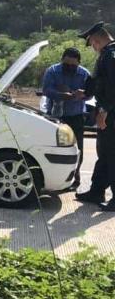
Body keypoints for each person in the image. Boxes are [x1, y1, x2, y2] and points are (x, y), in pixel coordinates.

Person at [75, 22, 115, 211]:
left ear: (97, 40)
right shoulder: (107, 55)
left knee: (112, 155)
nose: (93, 48)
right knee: (105, 154)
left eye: (92, 44)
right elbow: (101, 83)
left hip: (111, 113)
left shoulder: (111, 56)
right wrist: (86, 93)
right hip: (106, 111)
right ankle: (96, 190)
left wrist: (105, 111)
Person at [41, 47, 89, 189]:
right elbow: (46, 90)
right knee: (53, 148)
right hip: (55, 117)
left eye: (72, 65)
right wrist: (61, 94)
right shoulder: (52, 71)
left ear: (78, 63)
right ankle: (53, 179)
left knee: (77, 148)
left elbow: (91, 94)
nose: (69, 67)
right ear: (62, 60)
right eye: (66, 64)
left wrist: (83, 94)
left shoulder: (84, 74)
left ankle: (76, 178)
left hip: (76, 116)